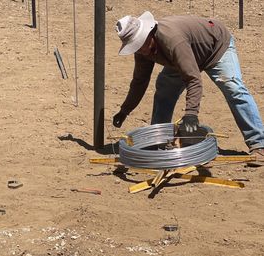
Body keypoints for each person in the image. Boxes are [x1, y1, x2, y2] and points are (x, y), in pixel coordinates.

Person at [112, 11, 264, 156]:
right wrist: (125, 110)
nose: (139, 49)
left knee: (233, 88)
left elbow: (193, 79)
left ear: (148, 34)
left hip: (216, 47)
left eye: (138, 44)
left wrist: (191, 114)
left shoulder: (172, 40)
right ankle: (157, 140)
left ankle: (259, 144)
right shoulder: (142, 51)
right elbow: (140, 81)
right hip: (184, 58)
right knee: (165, 89)